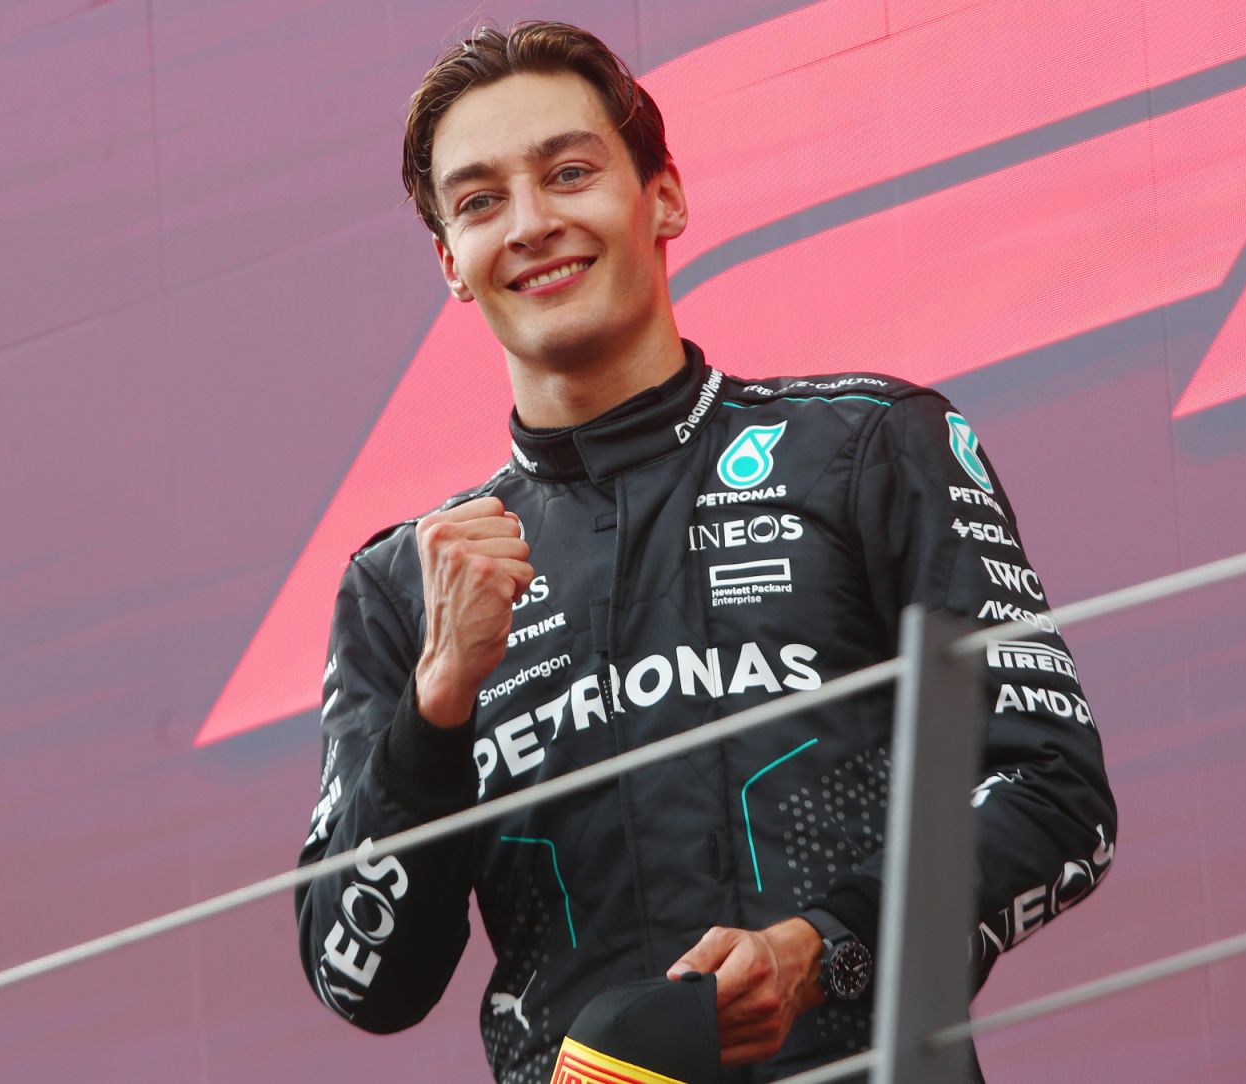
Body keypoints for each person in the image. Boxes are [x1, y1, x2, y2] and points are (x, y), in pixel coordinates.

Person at [295, 21, 1116, 1084]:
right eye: (480, 200)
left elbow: (1052, 792)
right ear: (451, 261)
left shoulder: (866, 446)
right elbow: (362, 979)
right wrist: (437, 702)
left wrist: (822, 948)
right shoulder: (404, 586)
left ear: (664, 199)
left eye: (570, 172)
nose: (532, 223)